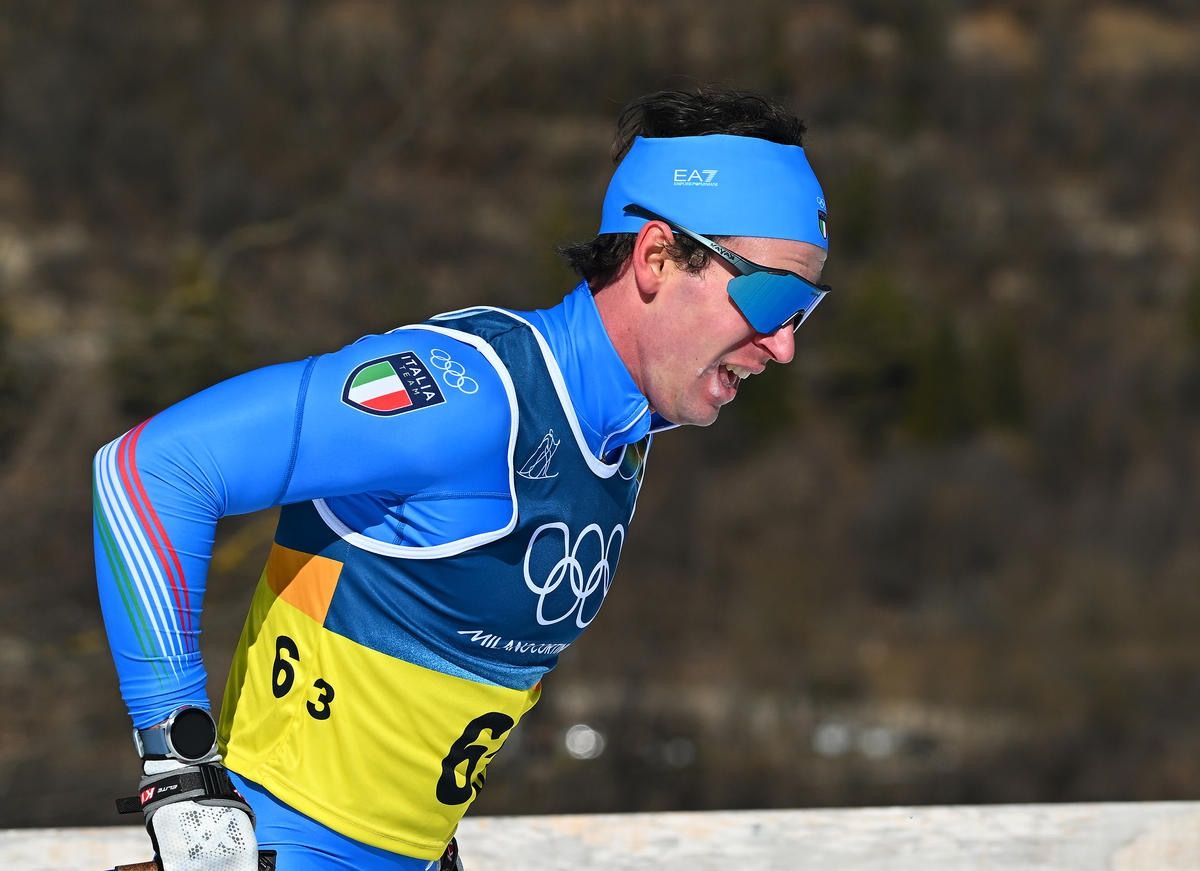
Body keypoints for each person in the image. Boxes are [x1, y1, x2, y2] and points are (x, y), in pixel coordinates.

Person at [94, 86, 831, 870]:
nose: (784, 344)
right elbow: (150, 470)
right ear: (655, 256)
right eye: (772, 296)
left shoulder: (620, 436)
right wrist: (181, 769)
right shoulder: (473, 395)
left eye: (806, 309)